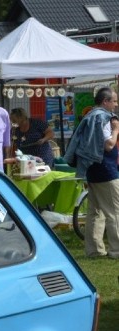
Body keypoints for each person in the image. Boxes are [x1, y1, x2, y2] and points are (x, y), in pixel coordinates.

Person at [66, 86, 119, 259]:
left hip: (92, 170)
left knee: (95, 211)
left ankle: (94, 249)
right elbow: (108, 145)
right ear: (105, 101)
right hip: (106, 170)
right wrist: (116, 129)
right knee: (114, 211)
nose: (116, 105)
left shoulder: (89, 116)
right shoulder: (104, 118)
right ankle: (116, 250)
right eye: (114, 101)